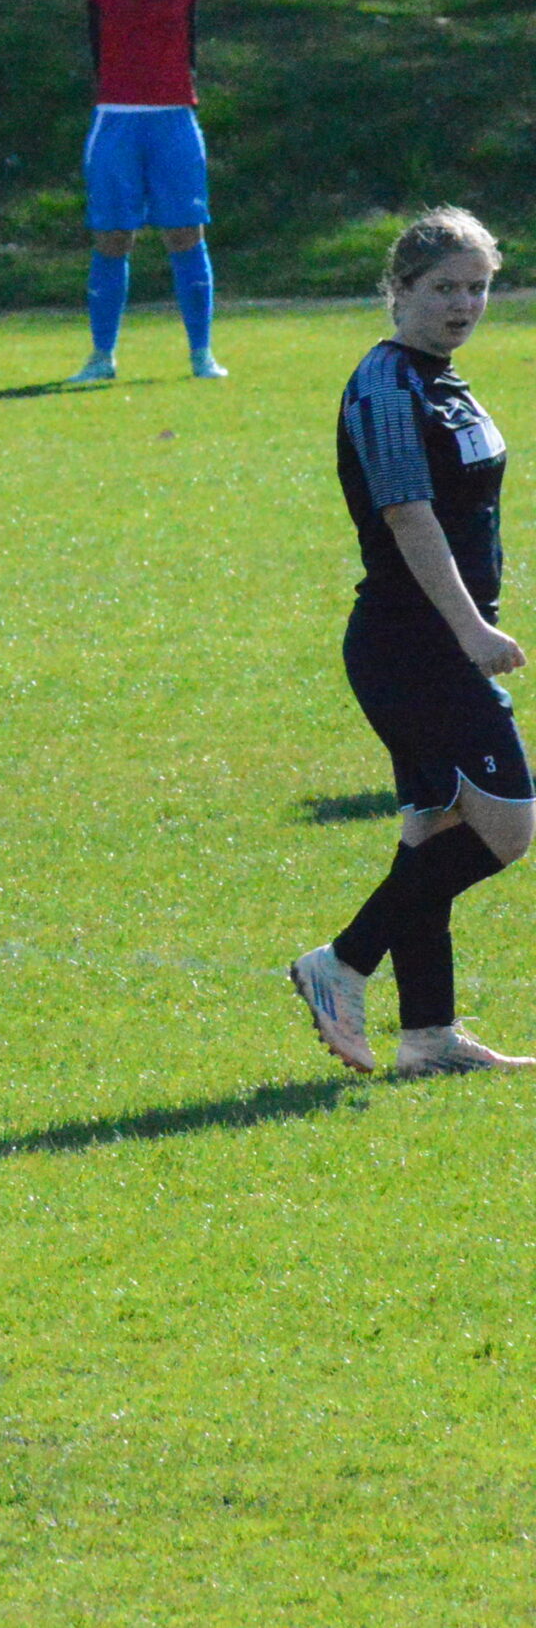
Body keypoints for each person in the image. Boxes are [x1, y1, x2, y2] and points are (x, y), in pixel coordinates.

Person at [290, 208, 534, 1079]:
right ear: (399, 290)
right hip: (414, 646)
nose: (463, 304)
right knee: (508, 828)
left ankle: (429, 1038)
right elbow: (407, 514)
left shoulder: (440, 378)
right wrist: (471, 629)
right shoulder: (389, 386)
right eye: (443, 288)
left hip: (430, 643)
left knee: (435, 833)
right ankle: (343, 962)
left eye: (477, 288)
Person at [63, 0, 227, 383]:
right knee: (113, 237)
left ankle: (201, 354)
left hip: (174, 119)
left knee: (186, 233)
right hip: (116, 120)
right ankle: (101, 357)